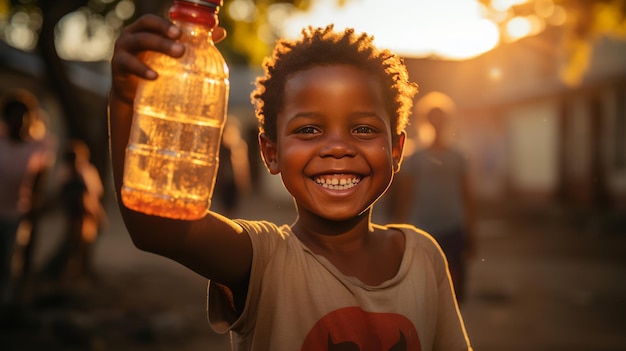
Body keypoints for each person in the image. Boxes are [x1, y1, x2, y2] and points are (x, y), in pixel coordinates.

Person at [108, 14, 472, 350]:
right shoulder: (263, 260)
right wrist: (125, 99)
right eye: (309, 129)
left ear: (395, 150)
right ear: (271, 153)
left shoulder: (423, 257)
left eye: (363, 129)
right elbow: (156, 228)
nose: (338, 147)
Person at [391, 106, 476, 303]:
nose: (438, 124)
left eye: (442, 119)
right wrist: (398, 225)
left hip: (453, 225)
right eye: (433, 119)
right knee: (424, 284)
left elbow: (467, 195)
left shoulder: (458, 157)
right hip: (423, 227)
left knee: (454, 287)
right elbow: (406, 195)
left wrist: (471, 230)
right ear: (426, 121)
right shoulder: (416, 157)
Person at [0, 89, 56, 305]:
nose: (18, 120)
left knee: (9, 263)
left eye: (22, 115)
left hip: (16, 215)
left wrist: (33, 212)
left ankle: (6, 307)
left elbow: (38, 185)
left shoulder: (38, 147)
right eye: (14, 115)